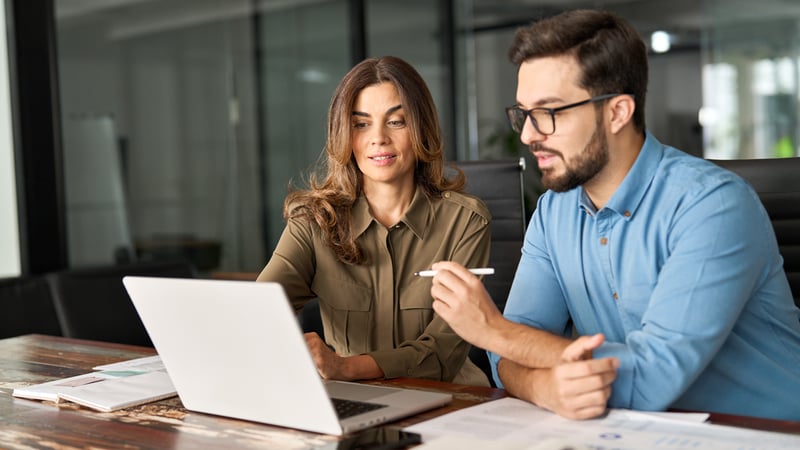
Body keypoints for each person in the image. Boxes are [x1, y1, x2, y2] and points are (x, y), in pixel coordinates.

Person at [429, 9, 800, 420]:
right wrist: (543, 387)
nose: (529, 134)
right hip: (634, 434)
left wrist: (493, 330)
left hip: (764, 434)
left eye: (549, 113)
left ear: (618, 113)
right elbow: (509, 359)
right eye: (523, 113)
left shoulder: (714, 206)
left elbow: (648, 379)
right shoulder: (554, 213)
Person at [257, 55, 491, 387]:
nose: (378, 138)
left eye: (396, 121)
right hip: (351, 399)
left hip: (449, 398)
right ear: (344, 133)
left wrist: (346, 368)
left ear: (421, 128)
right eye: (361, 123)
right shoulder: (312, 221)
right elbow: (260, 309)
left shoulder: (465, 221)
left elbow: (443, 349)